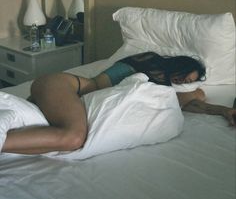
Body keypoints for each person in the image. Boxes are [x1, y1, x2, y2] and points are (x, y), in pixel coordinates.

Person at [2, 52, 236, 155]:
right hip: (63, 86)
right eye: (184, 76)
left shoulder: (160, 89)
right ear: (178, 66)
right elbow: (103, 85)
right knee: (73, 138)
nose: (181, 82)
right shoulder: (149, 62)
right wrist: (188, 94)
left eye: (186, 82)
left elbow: (188, 101)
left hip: (59, 95)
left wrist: (224, 110)